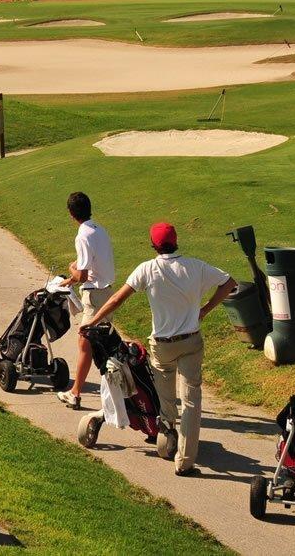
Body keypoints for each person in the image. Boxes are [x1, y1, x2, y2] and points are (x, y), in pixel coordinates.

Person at [82, 222, 236, 477]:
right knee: (191, 400)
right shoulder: (195, 266)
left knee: (166, 401)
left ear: (154, 245)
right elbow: (229, 282)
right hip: (191, 341)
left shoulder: (147, 269)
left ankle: (166, 432)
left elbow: (117, 298)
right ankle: (185, 461)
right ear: (176, 241)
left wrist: (92, 320)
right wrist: (206, 309)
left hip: (163, 346)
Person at [55, 192, 115, 410]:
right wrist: (72, 278)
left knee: (84, 341)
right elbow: (91, 266)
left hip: (95, 295)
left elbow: (82, 274)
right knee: (102, 346)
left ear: (71, 214)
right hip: (107, 293)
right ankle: (116, 392)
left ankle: (75, 393)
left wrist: (72, 270)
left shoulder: (82, 236)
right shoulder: (100, 230)